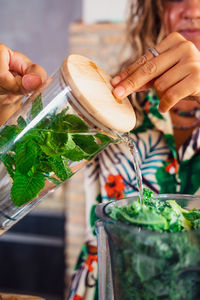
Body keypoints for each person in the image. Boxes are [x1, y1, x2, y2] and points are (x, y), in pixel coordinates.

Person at [0, 0, 200, 299]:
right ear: (158, 10)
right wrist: (7, 116)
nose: (193, 9)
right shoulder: (112, 106)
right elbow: (22, 185)